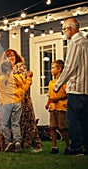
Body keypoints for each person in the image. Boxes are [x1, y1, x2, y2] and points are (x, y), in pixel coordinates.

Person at [0, 49, 42, 153]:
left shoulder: (20, 66)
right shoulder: (7, 73)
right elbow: (24, 84)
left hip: (20, 99)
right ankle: (11, 143)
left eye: (12, 55)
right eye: (8, 56)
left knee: (18, 122)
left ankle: (17, 142)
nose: (11, 58)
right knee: (11, 123)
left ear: (16, 56)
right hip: (14, 100)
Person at [54, 18, 88, 156]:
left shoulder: (75, 42)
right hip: (87, 88)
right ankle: (86, 147)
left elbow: (69, 67)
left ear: (70, 29)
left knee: (72, 119)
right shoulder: (86, 41)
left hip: (76, 88)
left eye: (64, 29)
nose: (64, 32)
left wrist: (58, 84)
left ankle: (76, 147)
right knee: (85, 120)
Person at [45, 60, 70, 154]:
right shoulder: (51, 82)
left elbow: (67, 94)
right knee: (52, 127)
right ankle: (54, 147)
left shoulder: (63, 82)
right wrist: (48, 103)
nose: (51, 70)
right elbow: (49, 95)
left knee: (62, 127)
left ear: (59, 69)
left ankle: (68, 146)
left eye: (53, 68)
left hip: (61, 107)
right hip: (52, 108)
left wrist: (57, 99)